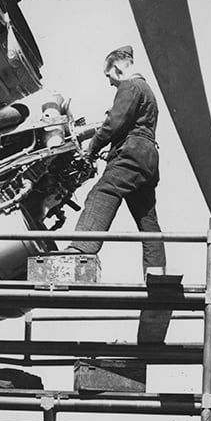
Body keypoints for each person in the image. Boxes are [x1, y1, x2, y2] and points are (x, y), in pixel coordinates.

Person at [66, 45, 165, 277]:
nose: (110, 83)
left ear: (119, 69)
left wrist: (92, 148)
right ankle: (157, 273)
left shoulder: (130, 86)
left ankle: (81, 250)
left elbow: (114, 123)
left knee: (103, 192)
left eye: (109, 75)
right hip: (148, 158)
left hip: (131, 154)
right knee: (147, 218)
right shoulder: (148, 92)